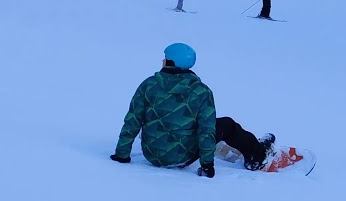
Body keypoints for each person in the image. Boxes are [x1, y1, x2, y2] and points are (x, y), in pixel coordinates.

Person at [110, 43, 275, 175]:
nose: (162, 60)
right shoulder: (201, 91)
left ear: (170, 62)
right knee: (227, 125)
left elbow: (133, 120)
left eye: (165, 58)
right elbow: (206, 129)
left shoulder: (148, 85)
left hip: (152, 154)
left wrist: (122, 154)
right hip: (183, 156)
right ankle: (258, 156)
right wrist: (207, 166)